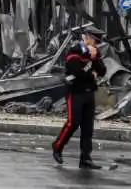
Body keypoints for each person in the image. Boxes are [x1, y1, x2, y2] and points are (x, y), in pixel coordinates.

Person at [51, 33, 106, 168]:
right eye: (94, 41)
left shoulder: (94, 54)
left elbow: (103, 70)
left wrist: (95, 59)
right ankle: (57, 146)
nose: (95, 45)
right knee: (72, 123)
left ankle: (85, 158)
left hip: (89, 92)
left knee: (88, 127)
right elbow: (76, 71)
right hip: (75, 92)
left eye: (97, 42)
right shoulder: (74, 51)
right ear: (86, 39)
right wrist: (91, 71)